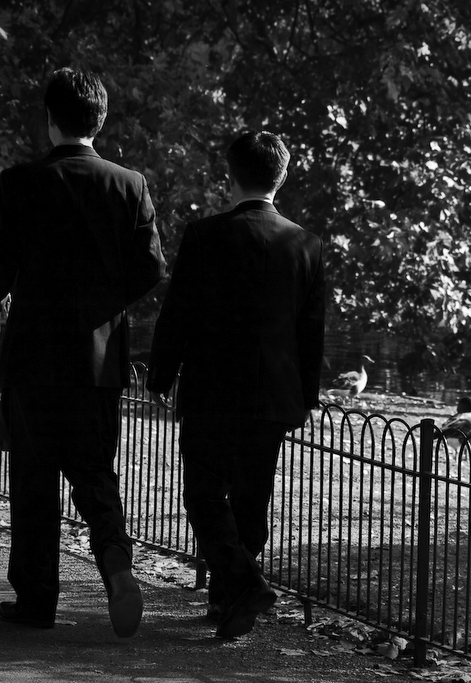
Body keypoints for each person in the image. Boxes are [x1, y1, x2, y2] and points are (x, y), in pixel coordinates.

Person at [0, 67, 166, 638]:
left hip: (33, 357)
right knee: (93, 472)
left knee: (33, 479)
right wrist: (107, 306)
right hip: (98, 359)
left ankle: (36, 601)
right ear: (99, 119)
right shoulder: (129, 184)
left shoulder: (19, 182)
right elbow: (153, 268)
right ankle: (114, 560)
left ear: (50, 118)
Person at [146, 130, 325, 639]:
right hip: (273, 395)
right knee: (252, 497)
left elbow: (177, 314)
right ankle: (229, 598)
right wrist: (305, 396)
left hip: (212, 390)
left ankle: (241, 587)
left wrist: (161, 376)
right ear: (282, 177)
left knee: (203, 494)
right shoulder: (306, 244)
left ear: (231, 175)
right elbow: (311, 332)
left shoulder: (204, 236)